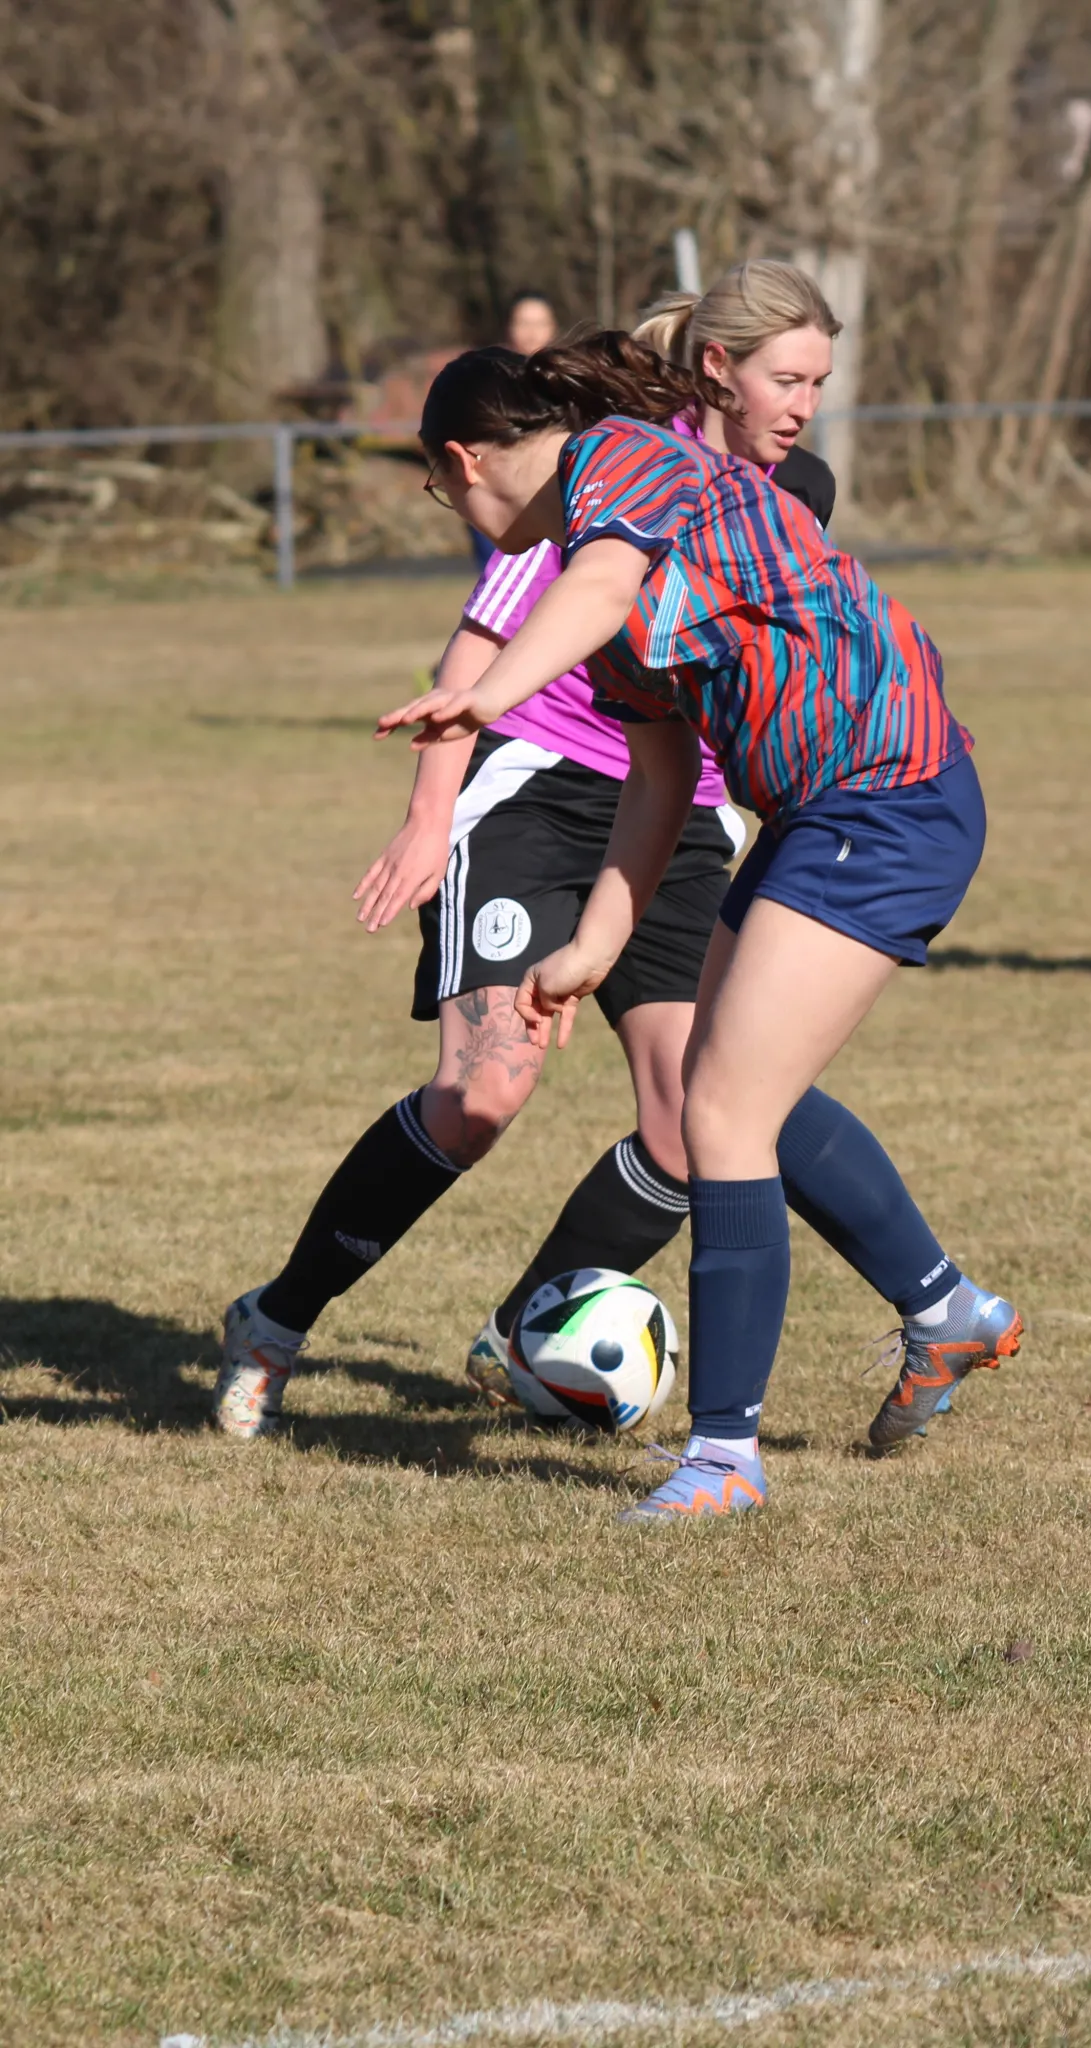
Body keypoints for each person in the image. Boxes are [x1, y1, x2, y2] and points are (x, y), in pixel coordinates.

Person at [375, 334, 1022, 1520]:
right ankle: (944, 1312)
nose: (449, 508)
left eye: (437, 488)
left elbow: (599, 591)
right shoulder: (600, 567)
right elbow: (661, 773)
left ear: (463, 463)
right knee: (724, 1090)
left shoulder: (619, 460)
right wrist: (595, 945)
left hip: (886, 793)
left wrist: (484, 696)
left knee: (720, 1111)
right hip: (825, 807)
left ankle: (724, 1457)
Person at [214, 265, 840, 1441]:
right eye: (787, 379)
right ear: (724, 373)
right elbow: (475, 652)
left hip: (680, 813)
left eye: (815, 383)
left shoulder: (784, 492)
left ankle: (518, 1335)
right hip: (537, 793)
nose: (801, 405)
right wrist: (426, 816)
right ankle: (275, 1319)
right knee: (482, 1093)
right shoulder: (590, 474)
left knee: (691, 1121)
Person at [471, 297, 564, 569]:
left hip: (550, 491)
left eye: (540, 323)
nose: (532, 332)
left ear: (553, 328)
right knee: (499, 578)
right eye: (524, 323)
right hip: (496, 488)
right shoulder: (485, 379)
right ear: (508, 328)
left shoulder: (568, 380)